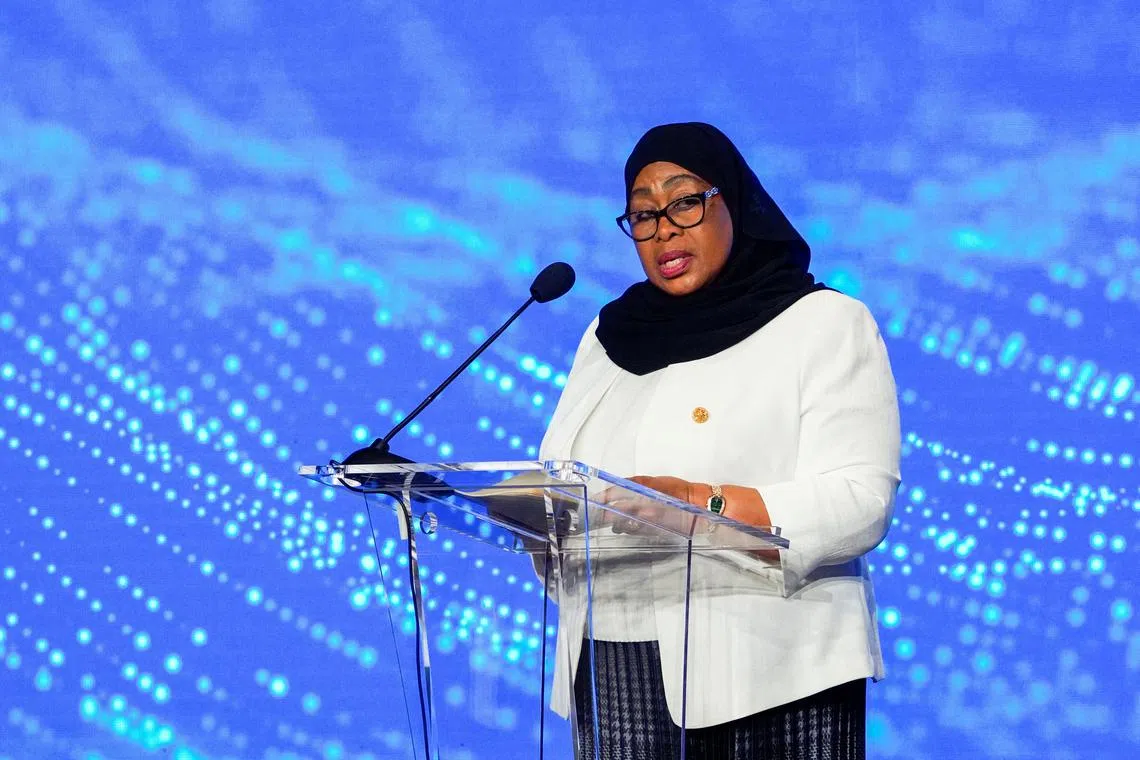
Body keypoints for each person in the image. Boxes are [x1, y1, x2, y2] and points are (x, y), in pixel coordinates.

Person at [537, 122, 901, 759]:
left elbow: (858, 500)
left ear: (731, 199)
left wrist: (695, 506)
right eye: (643, 214)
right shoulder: (608, 335)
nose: (664, 229)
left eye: (684, 201)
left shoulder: (822, 322)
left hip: (772, 672)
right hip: (616, 670)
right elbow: (560, 474)